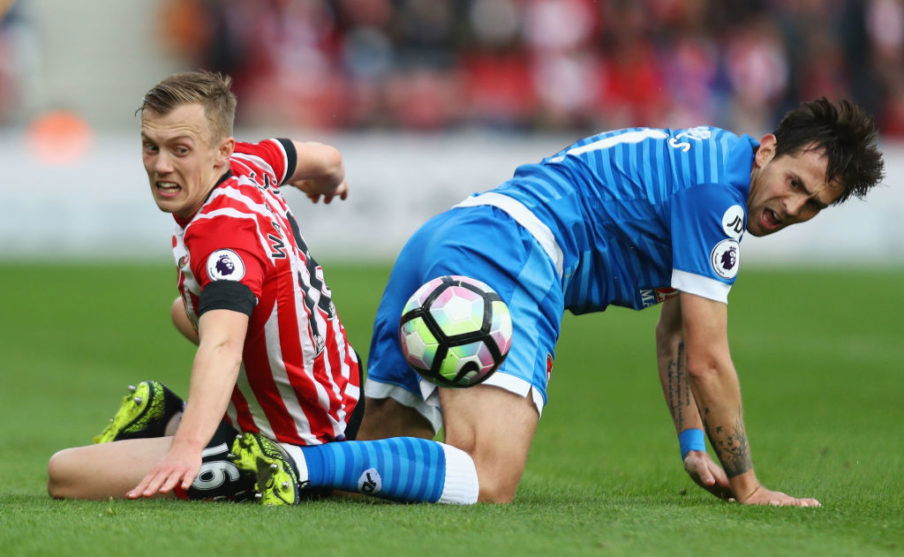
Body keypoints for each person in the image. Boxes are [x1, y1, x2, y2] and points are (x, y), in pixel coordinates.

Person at [357, 98, 885, 506]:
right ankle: (307, 460)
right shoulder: (717, 198)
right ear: (767, 150)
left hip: (457, 233)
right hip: (514, 253)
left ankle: (311, 463)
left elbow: (675, 335)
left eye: (813, 204)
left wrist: (692, 444)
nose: (792, 207)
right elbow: (707, 362)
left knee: (365, 473)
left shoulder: (714, 162)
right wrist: (749, 486)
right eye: (794, 183)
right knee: (488, 478)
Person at [46, 71, 479, 505]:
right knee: (185, 309)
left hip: (304, 430)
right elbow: (326, 158)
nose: (161, 166)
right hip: (339, 386)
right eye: (151, 146)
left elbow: (222, 348)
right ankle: (182, 420)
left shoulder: (223, 233)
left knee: (66, 475)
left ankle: (246, 454)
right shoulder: (247, 162)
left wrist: (187, 449)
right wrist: (330, 181)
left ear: (220, 152)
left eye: (180, 150)